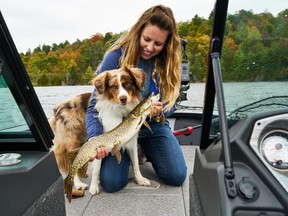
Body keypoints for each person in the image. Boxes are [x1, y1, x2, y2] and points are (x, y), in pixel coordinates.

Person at [86, 4, 187, 193]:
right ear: (139, 31)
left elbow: (172, 103)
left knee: (176, 176)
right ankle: (136, 152)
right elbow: (93, 107)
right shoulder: (116, 56)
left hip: (153, 125)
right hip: (119, 127)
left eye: (158, 44)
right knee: (111, 183)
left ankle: (144, 149)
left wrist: (160, 109)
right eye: (146, 39)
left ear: (167, 43)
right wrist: (96, 139)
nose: (150, 47)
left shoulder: (168, 64)